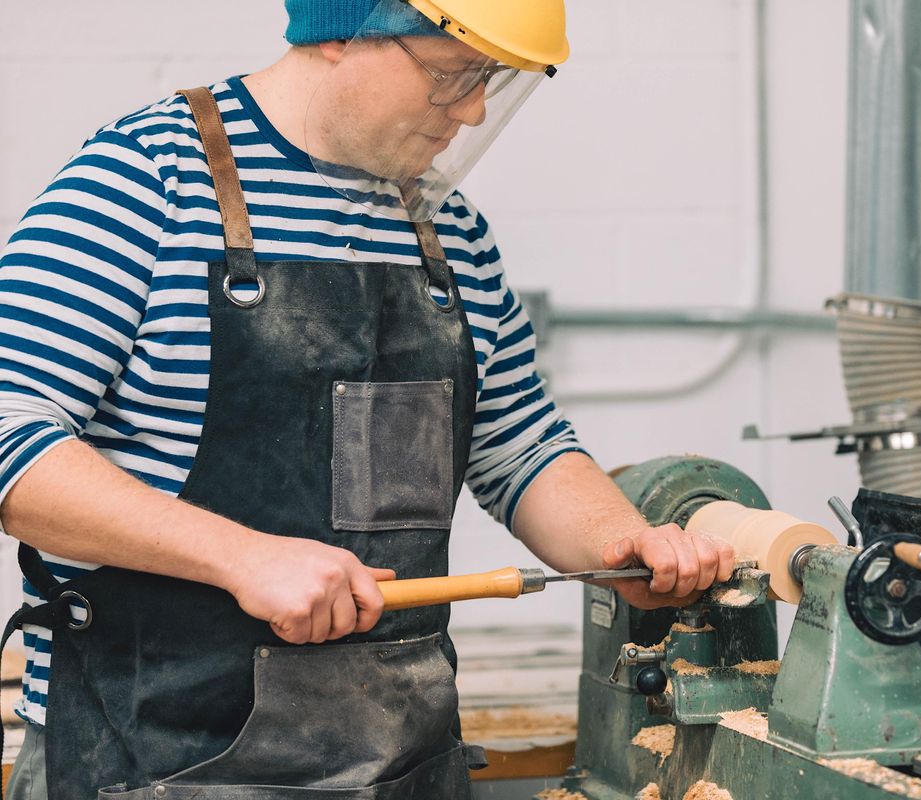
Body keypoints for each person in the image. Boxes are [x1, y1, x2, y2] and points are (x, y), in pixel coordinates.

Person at [0, 1, 735, 798]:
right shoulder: (145, 180)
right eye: (452, 74)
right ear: (340, 33)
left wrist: (619, 544)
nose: (475, 109)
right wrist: (242, 557)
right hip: (150, 762)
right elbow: (11, 438)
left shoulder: (452, 237)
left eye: (495, 81)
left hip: (398, 767)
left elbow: (522, 447)